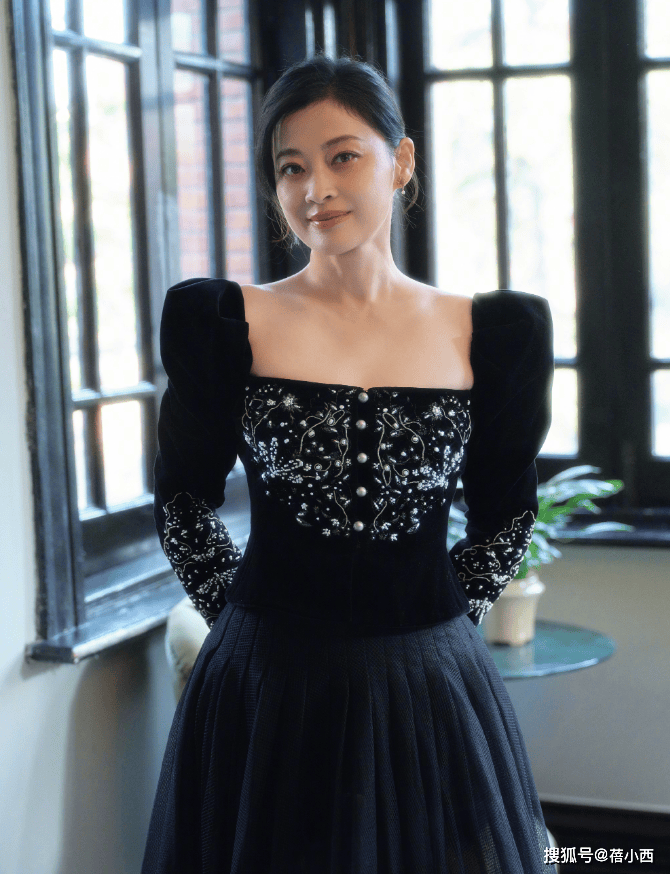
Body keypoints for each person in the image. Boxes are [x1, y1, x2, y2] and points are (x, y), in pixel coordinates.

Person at [142, 52, 556, 874]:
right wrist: (246, 626)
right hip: (264, 693)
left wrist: (437, 629)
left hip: (431, 690)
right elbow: (183, 497)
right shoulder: (226, 321)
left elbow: (507, 513)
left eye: (343, 157)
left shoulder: (491, 332)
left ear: (400, 161)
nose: (315, 189)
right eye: (291, 167)